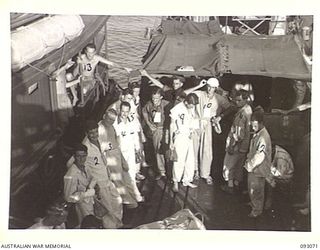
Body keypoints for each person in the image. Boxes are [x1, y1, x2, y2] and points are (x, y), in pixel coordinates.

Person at [82, 120, 123, 228]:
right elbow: (84, 169)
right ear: (86, 133)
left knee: (117, 200)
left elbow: (107, 147)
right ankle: (111, 230)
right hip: (99, 183)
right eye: (91, 133)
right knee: (107, 209)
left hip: (107, 179)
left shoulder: (99, 140)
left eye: (96, 132)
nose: (94, 135)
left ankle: (118, 224)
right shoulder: (85, 148)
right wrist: (94, 186)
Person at [194, 78, 232, 185]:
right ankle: (195, 170)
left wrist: (220, 117)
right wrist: (198, 86)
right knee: (194, 147)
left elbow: (230, 108)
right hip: (197, 122)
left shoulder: (219, 98)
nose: (210, 89)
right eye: (209, 86)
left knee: (206, 150)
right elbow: (185, 94)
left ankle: (205, 173)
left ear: (216, 88)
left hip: (208, 124)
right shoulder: (200, 94)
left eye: (212, 87)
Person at [98, 108, 139, 208]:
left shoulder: (111, 127)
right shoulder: (100, 128)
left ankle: (135, 197)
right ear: (104, 116)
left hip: (117, 153)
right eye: (109, 119)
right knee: (118, 179)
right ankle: (128, 202)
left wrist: (122, 159)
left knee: (127, 177)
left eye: (113, 120)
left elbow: (116, 142)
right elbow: (102, 147)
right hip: (109, 156)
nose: (111, 122)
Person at [113, 102, 145, 202]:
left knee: (131, 174)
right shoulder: (115, 123)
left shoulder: (132, 120)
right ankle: (127, 197)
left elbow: (135, 136)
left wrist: (137, 148)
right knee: (120, 175)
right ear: (119, 110)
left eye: (126, 112)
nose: (124, 114)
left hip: (131, 151)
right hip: (120, 152)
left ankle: (136, 196)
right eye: (122, 111)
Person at [221, 90, 252, 194]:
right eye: (236, 100)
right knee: (239, 166)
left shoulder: (241, 114)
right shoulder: (248, 109)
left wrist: (231, 145)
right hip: (244, 146)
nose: (237, 102)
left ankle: (230, 186)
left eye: (239, 100)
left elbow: (239, 134)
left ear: (245, 100)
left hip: (236, 145)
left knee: (229, 165)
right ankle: (236, 185)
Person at [243, 106, 272, 218]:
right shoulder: (258, 133)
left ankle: (257, 210)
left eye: (254, 124)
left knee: (256, 190)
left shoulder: (263, 137)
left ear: (261, 123)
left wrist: (249, 165)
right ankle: (253, 203)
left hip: (258, 169)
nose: (252, 126)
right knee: (252, 188)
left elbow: (259, 156)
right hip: (254, 168)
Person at [170, 93, 200, 192]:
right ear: (186, 102)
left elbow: (193, 119)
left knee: (190, 159)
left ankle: (187, 179)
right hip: (180, 136)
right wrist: (171, 140)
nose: (193, 107)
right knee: (179, 160)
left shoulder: (192, 108)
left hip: (189, 136)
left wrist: (193, 130)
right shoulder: (177, 109)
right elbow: (172, 125)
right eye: (191, 105)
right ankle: (175, 181)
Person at [64, 144, 97, 226]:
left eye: (83, 156)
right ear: (74, 156)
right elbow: (68, 197)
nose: (81, 159)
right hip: (83, 206)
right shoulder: (71, 174)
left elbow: (92, 177)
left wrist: (92, 186)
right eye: (78, 156)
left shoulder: (86, 166)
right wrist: (86, 194)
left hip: (92, 200)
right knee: (89, 226)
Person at [142, 87, 170, 180]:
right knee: (158, 151)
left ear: (161, 97)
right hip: (156, 130)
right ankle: (162, 172)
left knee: (167, 151)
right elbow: (144, 112)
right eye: (153, 98)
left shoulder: (166, 104)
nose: (154, 100)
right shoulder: (149, 104)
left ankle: (170, 172)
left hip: (165, 129)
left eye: (157, 98)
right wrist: (149, 124)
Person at [264, 144, 294, 209]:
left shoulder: (281, 156)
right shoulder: (274, 150)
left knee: (268, 179)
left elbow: (280, 173)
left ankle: (269, 200)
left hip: (286, 176)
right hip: (277, 171)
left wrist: (267, 174)